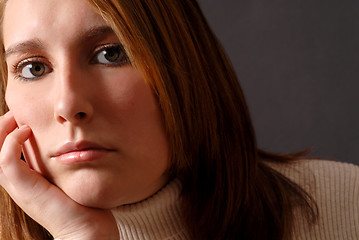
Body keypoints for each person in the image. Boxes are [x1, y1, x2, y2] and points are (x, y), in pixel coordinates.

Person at [0, 0, 358, 239]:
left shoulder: (346, 206)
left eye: (111, 53)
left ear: (184, 65)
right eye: (33, 68)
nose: (68, 104)